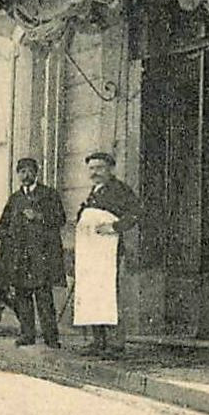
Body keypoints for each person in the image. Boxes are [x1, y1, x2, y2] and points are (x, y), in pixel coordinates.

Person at [74, 152, 139, 359]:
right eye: (91, 169)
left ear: (111, 169)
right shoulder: (94, 191)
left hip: (109, 253)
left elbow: (136, 212)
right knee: (93, 294)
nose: (95, 173)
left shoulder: (119, 190)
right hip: (91, 252)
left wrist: (115, 226)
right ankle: (98, 341)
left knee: (109, 294)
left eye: (100, 168)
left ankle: (115, 344)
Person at [0, 157, 66, 347]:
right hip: (20, 257)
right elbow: (1, 226)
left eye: (29, 171)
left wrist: (39, 216)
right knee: (22, 297)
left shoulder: (49, 194)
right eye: (22, 171)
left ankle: (51, 338)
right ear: (18, 174)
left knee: (43, 297)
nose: (25, 175)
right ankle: (27, 334)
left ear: (36, 173)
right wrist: (8, 239)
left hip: (41, 256)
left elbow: (60, 219)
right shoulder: (15, 199)